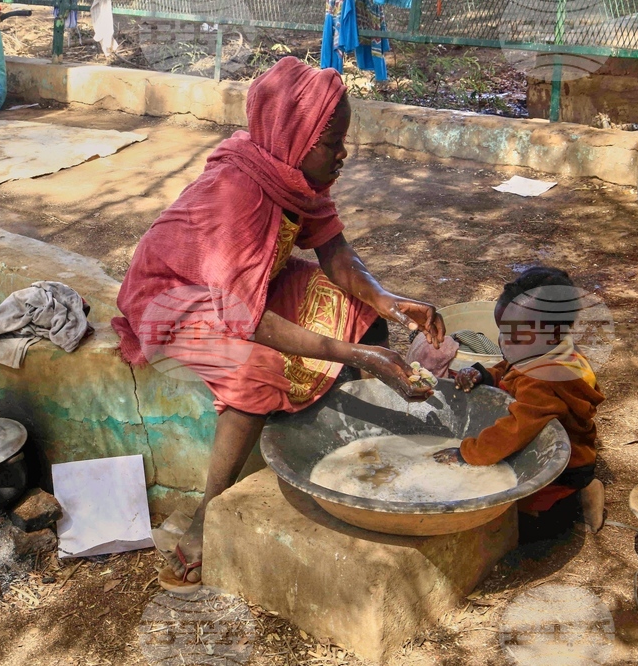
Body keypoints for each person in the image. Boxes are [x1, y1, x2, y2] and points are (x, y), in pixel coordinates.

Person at [112, 57, 445, 591]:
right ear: (294, 136)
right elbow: (248, 322)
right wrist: (359, 356)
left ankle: (352, 452)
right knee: (257, 370)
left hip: (248, 286)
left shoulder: (295, 177)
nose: (342, 155)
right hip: (172, 298)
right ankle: (207, 516)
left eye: (343, 140)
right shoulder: (237, 193)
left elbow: (337, 256)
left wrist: (390, 302)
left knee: (360, 314)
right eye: (331, 142)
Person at [433, 266, 606, 537]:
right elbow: (507, 370)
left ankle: (583, 493)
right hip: (549, 442)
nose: (503, 343)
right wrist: (482, 374)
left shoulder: (545, 379)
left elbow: (516, 429)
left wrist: (469, 453)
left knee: (520, 518)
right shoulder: (544, 349)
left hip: (565, 466)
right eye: (502, 332)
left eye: (514, 337)